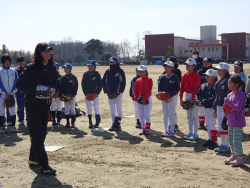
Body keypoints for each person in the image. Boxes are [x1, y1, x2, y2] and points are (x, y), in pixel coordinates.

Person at [15, 42, 57, 175]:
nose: (48, 53)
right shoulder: (31, 68)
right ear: (39, 53)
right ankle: (44, 165)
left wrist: (55, 88)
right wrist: (37, 91)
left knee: (42, 134)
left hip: (45, 106)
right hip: (33, 107)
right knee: (37, 136)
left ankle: (33, 159)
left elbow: (58, 80)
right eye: (45, 51)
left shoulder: (51, 68)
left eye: (49, 51)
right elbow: (19, 84)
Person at [223, 75, 246, 166]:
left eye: (231, 83)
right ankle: (233, 155)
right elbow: (228, 107)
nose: (229, 84)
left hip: (238, 122)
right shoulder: (229, 95)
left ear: (237, 84)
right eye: (228, 82)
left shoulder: (241, 95)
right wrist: (225, 108)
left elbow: (237, 108)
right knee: (231, 139)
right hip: (230, 120)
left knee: (236, 140)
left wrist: (227, 102)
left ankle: (240, 158)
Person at [195, 69, 218, 149]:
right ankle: (210, 139)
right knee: (208, 124)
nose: (206, 77)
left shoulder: (216, 86)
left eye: (209, 76)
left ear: (214, 77)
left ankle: (214, 141)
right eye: (206, 75)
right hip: (205, 107)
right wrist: (197, 101)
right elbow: (197, 94)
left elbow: (213, 98)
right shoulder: (204, 85)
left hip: (212, 108)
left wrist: (203, 102)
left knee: (211, 124)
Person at [102, 56, 126, 131]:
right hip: (110, 92)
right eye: (110, 62)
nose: (111, 63)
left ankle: (118, 123)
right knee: (112, 109)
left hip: (118, 92)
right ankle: (113, 123)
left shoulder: (120, 71)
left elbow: (122, 82)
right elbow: (104, 81)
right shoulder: (107, 71)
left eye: (113, 62)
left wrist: (119, 91)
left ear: (116, 62)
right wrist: (106, 91)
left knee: (119, 108)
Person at [180, 58, 201, 141]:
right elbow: (182, 88)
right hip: (187, 95)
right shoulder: (185, 75)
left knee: (194, 116)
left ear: (194, 66)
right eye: (186, 65)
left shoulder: (196, 76)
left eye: (189, 65)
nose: (187, 66)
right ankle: (190, 133)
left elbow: (195, 89)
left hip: (195, 96)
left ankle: (195, 134)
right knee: (189, 116)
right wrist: (181, 98)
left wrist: (192, 99)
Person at [158, 61, 180, 137]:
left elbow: (177, 88)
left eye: (168, 67)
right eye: (165, 67)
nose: (166, 68)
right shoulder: (163, 77)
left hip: (172, 97)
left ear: (172, 68)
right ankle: (166, 130)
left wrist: (169, 94)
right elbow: (160, 87)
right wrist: (162, 94)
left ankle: (172, 130)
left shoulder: (175, 77)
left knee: (171, 113)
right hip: (164, 98)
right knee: (165, 114)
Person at [213, 62, 231, 153]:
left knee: (225, 126)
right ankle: (223, 144)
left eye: (219, 70)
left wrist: (227, 109)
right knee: (220, 126)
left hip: (225, 108)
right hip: (219, 106)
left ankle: (226, 145)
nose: (218, 71)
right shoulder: (219, 81)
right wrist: (214, 107)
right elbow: (216, 95)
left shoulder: (228, 81)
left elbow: (229, 96)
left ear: (225, 71)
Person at [197, 57, 217, 130]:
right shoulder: (200, 71)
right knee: (201, 110)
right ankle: (201, 123)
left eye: (207, 62)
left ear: (211, 63)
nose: (205, 63)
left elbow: (215, 82)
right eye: (204, 62)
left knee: (210, 118)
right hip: (202, 90)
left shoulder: (214, 71)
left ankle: (211, 136)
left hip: (210, 92)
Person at [0, 55, 18, 134]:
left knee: (12, 110)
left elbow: (17, 83)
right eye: (6, 62)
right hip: (2, 95)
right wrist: (4, 93)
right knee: (1, 111)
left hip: (11, 94)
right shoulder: (0, 71)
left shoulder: (14, 71)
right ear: (3, 62)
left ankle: (13, 126)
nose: (7, 63)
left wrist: (12, 92)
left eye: (9, 61)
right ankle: (2, 127)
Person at [81, 60, 102, 128]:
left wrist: (97, 93)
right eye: (88, 65)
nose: (89, 67)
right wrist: (86, 93)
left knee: (96, 107)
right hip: (88, 94)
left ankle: (97, 121)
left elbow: (100, 84)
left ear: (94, 66)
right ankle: (90, 122)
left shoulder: (97, 74)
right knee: (89, 108)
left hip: (95, 94)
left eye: (91, 66)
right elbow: (83, 84)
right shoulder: (85, 74)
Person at [134, 65, 153, 135]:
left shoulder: (149, 79)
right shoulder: (137, 80)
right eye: (140, 71)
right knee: (141, 115)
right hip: (139, 98)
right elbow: (135, 90)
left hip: (147, 98)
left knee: (147, 115)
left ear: (146, 72)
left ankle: (148, 128)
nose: (141, 73)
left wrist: (145, 98)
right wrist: (136, 97)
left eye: (142, 72)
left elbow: (149, 90)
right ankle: (143, 128)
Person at [59, 63, 78, 128]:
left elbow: (76, 87)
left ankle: (73, 122)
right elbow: (61, 87)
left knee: (72, 109)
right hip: (65, 95)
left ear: (70, 69)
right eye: (64, 68)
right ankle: (67, 122)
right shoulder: (63, 78)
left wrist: (73, 95)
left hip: (72, 96)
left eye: (66, 68)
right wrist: (60, 95)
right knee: (66, 109)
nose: (65, 69)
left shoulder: (73, 77)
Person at [15, 56, 26, 126]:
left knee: (28, 106)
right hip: (19, 92)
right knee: (20, 107)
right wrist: (19, 89)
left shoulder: (27, 70)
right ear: (18, 63)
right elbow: (15, 82)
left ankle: (29, 119)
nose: (21, 63)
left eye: (22, 61)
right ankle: (21, 119)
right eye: (19, 62)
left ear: (24, 62)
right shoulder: (16, 71)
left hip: (27, 91)